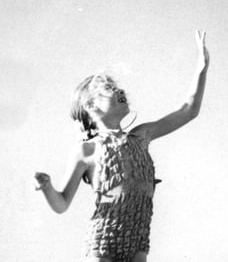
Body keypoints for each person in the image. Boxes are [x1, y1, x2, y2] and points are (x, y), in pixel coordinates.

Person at [34, 30, 210, 262]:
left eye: (116, 86)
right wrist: (46, 187)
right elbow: (62, 204)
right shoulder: (87, 150)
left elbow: (189, 110)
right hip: (103, 240)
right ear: (90, 106)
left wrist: (201, 69)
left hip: (138, 239)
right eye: (108, 88)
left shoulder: (141, 136)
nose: (119, 90)